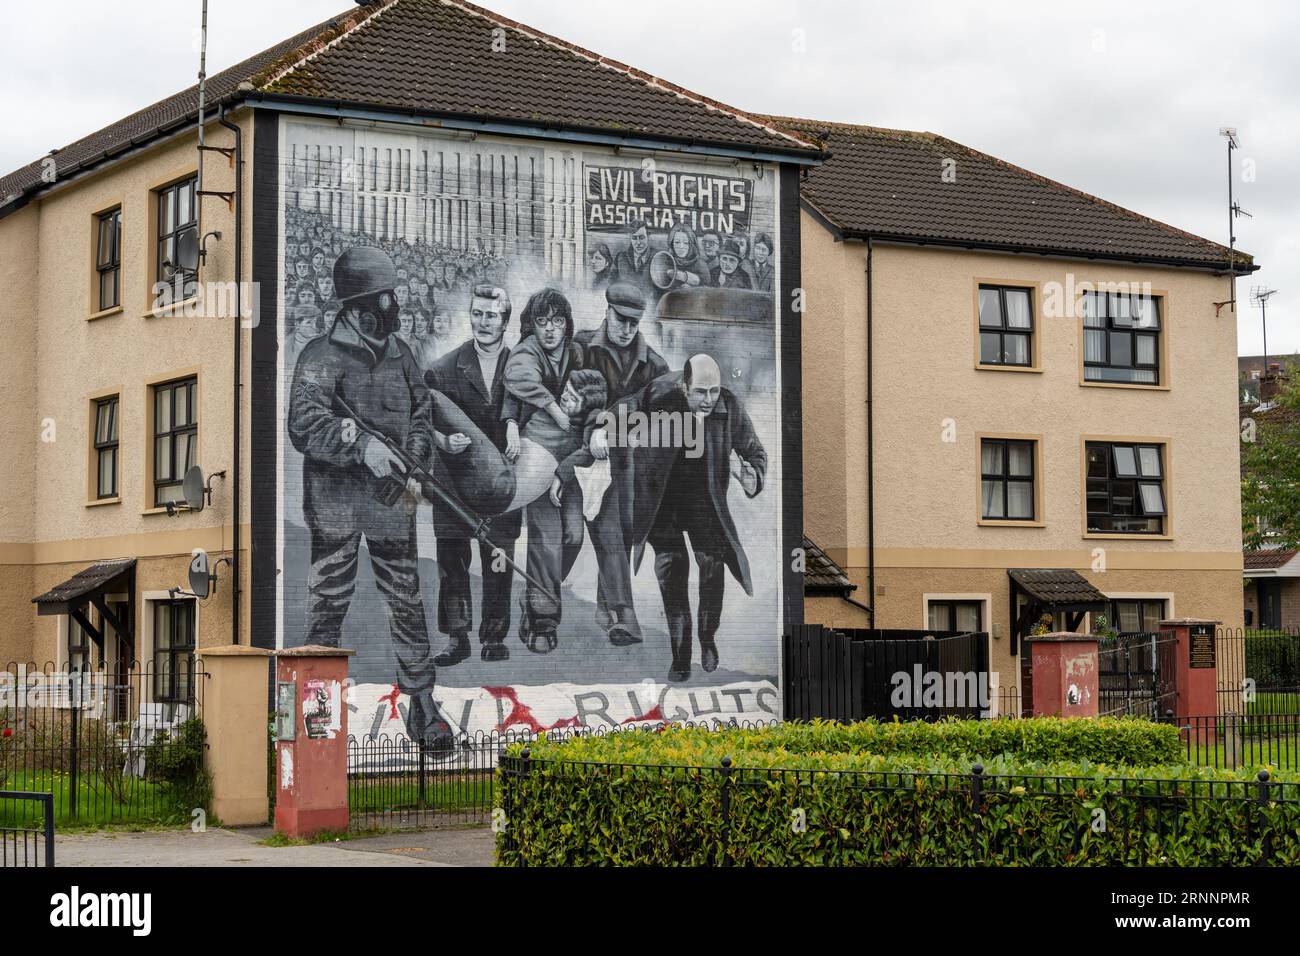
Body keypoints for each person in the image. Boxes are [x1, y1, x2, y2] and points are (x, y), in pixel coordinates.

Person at [287, 246, 451, 750]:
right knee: (328, 603)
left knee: (407, 600)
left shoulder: (402, 353)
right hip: (336, 505)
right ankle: (316, 707)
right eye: (387, 296)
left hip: (392, 502)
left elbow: (421, 413)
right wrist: (361, 445)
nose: (395, 303)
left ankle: (421, 702)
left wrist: (415, 462)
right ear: (362, 305)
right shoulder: (320, 355)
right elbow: (304, 423)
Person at [614, 354, 767, 683]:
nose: (709, 399)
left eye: (714, 390)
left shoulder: (729, 407)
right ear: (685, 387)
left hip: (704, 502)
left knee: (712, 568)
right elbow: (623, 409)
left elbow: (754, 449)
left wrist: (754, 475)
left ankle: (707, 638)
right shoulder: (661, 395)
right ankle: (680, 657)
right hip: (663, 501)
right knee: (673, 572)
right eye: (701, 392)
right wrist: (603, 432)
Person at [423, 284, 521, 667]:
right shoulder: (443, 368)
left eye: (491, 316)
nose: (483, 322)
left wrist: (515, 426)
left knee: (498, 559)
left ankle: (494, 637)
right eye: (477, 314)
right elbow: (419, 422)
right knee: (452, 563)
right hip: (452, 483)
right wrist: (443, 441)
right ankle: (457, 638)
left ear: (505, 321)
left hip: (501, 487)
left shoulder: (521, 367)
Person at [574, 282, 669, 646]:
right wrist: (593, 429)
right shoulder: (582, 347)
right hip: (586, 456)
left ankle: (606, 605)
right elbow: (570, 401)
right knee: (610, 529)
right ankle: (625, 616)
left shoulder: (656, 365)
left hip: (631, 462)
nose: (627, 329)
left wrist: (615, 425)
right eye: (620, 319)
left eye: (634, 322)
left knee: (624, 532)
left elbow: (661, 416)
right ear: (607, 310)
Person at [501, 288, 585, 653]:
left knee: (574, 537)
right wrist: (550, 410)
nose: (550, 329)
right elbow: (516, 384)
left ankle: (540, 589)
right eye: (542, 321)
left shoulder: (578, 354)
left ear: (567, 324)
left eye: (557, 320)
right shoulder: (526, 352)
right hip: (537, 453)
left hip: (571, 460)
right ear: (531, 325)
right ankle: (543, 620)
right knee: (546, 539)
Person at [613, 221, 654, 295]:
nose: (638, 243)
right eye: (634, 238)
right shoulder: (620, 258)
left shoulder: (658, 256)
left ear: (648, 237)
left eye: (641, 237)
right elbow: (610, 284)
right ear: (630, 239)